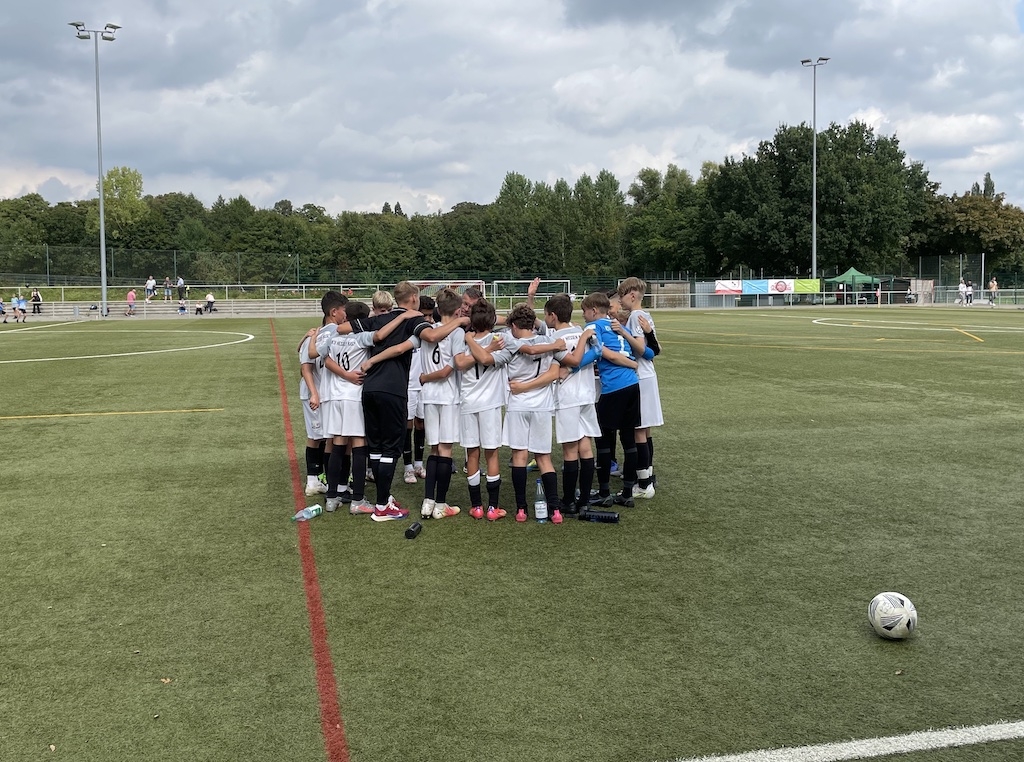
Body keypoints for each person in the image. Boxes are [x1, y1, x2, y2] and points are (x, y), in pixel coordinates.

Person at [314, 281, 468, 522]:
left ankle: (380, 499)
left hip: (369, 388)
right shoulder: (414, 320)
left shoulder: (377, 318)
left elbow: (341, 328)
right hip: (393, 389)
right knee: (390, 449)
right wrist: (460, 321)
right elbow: (428, 336)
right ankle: (382, 505)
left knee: (374, 449)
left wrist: (322, 336)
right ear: (414, 299)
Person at [499, 303, 565, 523]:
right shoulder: (548, 340)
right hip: (542, 405)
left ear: (514, 325)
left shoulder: (511, 342)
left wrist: (523, 386)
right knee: (544, 458)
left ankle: (521, 508)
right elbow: (555, 371)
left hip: (518, 404)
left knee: (520, 456)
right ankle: (555, 510)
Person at [458, 300, 514, 521]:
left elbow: (467, 361)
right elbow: (478, 360)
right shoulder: (500, 340)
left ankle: (476, 506)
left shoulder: (465, 341)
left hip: (468, 402)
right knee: (491, 453)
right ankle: (492, 507)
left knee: (472, 453)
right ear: (492, 320)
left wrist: (470, 340)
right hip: (489, 404)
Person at [319, 301, 376, 515]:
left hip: (335, 396)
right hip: (353, 396)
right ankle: (358, 499)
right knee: (359, 442)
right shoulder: (362, 338)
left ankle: (332, 497)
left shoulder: (334, 336)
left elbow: (324, 358)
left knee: (338, 443)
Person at [417, 288, 466, 520]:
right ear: (457, 311)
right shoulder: (457, 332)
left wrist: (424, 378)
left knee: (434, 448)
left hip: (429, 396)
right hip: (447, 396)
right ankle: (440, 504)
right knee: (445, 449)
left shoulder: (428, 329)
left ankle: (428, 501)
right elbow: (448, 370)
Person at [617, 278, 663, 499]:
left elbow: (643, 349)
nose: (620, 300)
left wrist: (623, 332)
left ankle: (644, 484)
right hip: (648, 374)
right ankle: (648, 476)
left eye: (622, 296)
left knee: (639, 430)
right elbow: (656, 347)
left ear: (632, 295)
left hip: (641, 376)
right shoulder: (645, 315)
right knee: (645, 429)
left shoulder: (636, 316)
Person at [402, 295, 433, 485]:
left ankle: (419, 464)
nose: (428, 319)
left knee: (421, 423)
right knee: (408, 424)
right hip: (409, 384)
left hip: (426, 384)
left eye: (430, 315)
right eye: (425, 315)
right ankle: (407, 467)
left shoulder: (433, 332)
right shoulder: (408, 331)